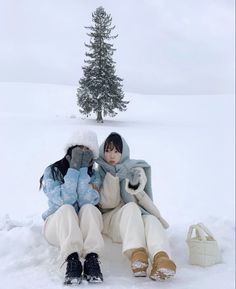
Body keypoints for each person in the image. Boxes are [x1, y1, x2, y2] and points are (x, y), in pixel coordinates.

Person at [96, 132, 176, 281]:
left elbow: (140, 178)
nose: (111, 155)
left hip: (136, 215)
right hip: (112, 219)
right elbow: (108, 203)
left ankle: (162, 259)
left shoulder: (132, 167)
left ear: (123, 152)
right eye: (108, 150)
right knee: (131, 207)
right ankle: (137, 255)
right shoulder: (99, 172)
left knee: (151, 220)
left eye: (116, 151)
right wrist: (113, 177)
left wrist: (134, 182)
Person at [39, 130, 104, 285]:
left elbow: (86, 200)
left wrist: (82, 171)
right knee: (67, 208)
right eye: (79, 149)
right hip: (56, 226)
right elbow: (64, 200)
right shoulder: (52, 171)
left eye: (87, 150)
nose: (82, 153)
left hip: (81, 228)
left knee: (89, 208)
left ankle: (91, 259)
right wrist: (73, 169)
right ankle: (72, 259)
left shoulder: (94, 176)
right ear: (70, 149)